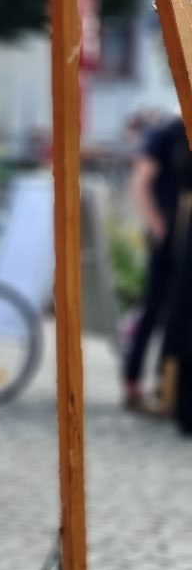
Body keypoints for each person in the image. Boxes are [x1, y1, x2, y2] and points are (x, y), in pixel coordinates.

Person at [123, 110, 191, 411]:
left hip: (185, 242)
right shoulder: (167, 133)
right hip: (167, 239)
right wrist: (158, 226)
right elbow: (140, 183)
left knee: (179, 317)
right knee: (153, 309)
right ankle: (133, 382)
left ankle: (168, 386)